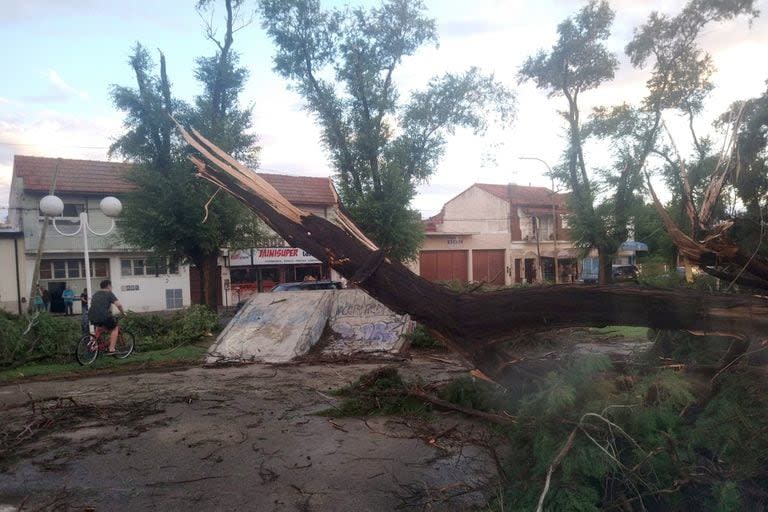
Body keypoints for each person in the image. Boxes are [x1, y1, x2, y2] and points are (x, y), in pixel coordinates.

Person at [88, 280, 126, 354]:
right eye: (111, 286)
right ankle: (111, 349)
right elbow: (119, 305)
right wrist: (123, 313)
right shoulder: (109, 293)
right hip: (104, 316)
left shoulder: (95, 294)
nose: (112, 287)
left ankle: (94, 345)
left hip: (92, 316)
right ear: (108, 286)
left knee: (100, 328)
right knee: (115, 328)